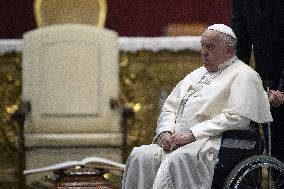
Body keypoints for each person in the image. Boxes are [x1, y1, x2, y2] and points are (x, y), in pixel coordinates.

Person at [122, 24, 272, 189]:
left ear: (229, 51)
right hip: (177, 141)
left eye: (210, 47)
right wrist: (166, 132)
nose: (203, 52)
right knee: (140, 155)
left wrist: (192, 134)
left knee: (178, 160)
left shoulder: (244, 75)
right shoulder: (195, 75)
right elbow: (169, 108)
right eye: (202, 46)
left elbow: (237, 118)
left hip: (212, 143)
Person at [231, 0, 284, 163]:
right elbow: (240, 45)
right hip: (267, 83)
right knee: (276, 153)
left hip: (280, 85)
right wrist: (234, 84)